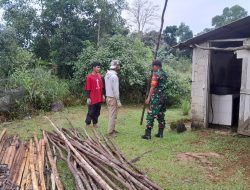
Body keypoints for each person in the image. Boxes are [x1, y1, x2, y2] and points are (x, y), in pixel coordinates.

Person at [142, 60, 167, 140]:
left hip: (156, 97)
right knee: (160, 114)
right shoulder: (164, 74)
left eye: (153, 66)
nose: (152, 68)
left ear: (156, 66)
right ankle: (160, 133)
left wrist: (148, 98)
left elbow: (152, 87)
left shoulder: (156, 75)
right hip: (163, 97)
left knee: (150, 114)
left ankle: (147, 134)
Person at [84, 62, 105, 128]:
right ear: (93, 68)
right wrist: (88, 98)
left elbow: (102, 87)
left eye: (99, 67)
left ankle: (95, 123)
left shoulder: (100, 76)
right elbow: (88, 88)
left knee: (97, 111)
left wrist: (103, 95)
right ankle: (87, 123)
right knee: (91, 111)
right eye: (97, 67)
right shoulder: (89, 77)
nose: (99, 68)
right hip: (93, 98)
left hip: (99, 97)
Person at [105, 60, 122, 137]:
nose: (119, 67)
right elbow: (115, 90)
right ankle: (110, 132)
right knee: (112, 115)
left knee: (112, 114)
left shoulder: (107, 75)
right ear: (116, 67)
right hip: (113, 98)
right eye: (118, 66)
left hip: (108, 97)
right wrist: (118, 100)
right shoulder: (114, 76)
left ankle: (112, 129)